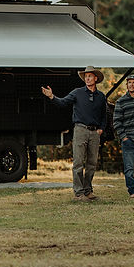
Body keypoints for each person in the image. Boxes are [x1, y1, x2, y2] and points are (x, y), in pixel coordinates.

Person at [41, 66, 107, 201]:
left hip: (95, 133)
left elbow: (104, 115)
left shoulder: (101, 96)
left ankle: (88, 191)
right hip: (80, 130)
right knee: (78, 162)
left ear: (96, 78)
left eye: (90, 76)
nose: (87, 78)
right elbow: (62, 102)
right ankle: (79, 193)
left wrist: (101, 128)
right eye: (86, 76)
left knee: (92, 163)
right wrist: (52, 96)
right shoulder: (77, 92)